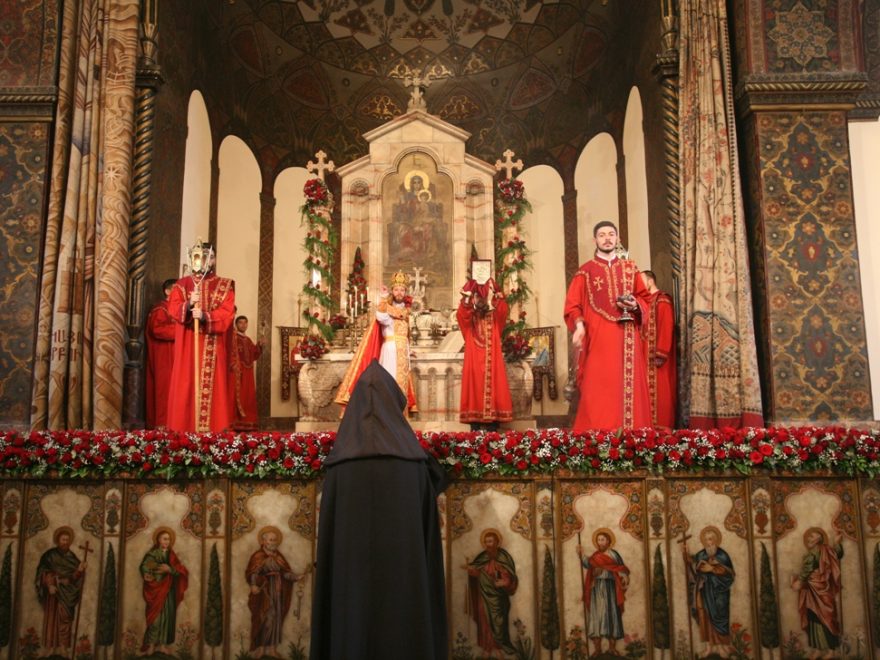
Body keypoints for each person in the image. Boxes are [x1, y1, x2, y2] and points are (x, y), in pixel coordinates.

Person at [311, 361, 448, 659]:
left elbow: (330, 542)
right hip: (404, 585)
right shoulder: (413, 464)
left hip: (351, 586)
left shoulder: (340, 466)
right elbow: (427, 531)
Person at [563, 221, 651, 431]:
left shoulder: (631, 268)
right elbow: (572, 305)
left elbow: (645, 299)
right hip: (598, 340)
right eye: (602, 235)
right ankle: (597, 440)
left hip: (626, 338)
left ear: (618, 238)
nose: (607, 238)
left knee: (628, 388)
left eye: (611, 234)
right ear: (595, 240)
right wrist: (579, 326)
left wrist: (635, 304)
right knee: (598, 389)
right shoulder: (585, 272)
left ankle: (633, 437)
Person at [166, 242, 236, 432]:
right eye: (199, 256)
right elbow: (173, 308)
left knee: (214, 389)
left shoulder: (224, 285)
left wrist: (206, 316)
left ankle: (213, 433)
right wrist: (188, 304)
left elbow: (227, 313)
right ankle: (183, 431)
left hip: (213, 345)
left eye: (207, 257)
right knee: (185, 385)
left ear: (213, 259)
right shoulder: (182, 285)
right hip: (188, 346)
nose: (203, 261)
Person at [335, 271, 417, 414]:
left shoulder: (406, 311)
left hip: (403, 352)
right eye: (396, 289)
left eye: (402, 290)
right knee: (389, 382)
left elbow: (405, 335)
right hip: (390, 350)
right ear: (392, 290)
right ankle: (387, 415)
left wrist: (408, 350)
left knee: (402, 386)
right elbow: (381, 317)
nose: (399, 292)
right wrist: (384, 299)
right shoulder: (386, 307)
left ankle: (401, 418)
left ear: (405, 292)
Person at [457, 277, 513, 430]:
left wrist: (495, 289)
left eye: (483, 296)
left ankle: (493, 425)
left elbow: (502, 309)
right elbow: (462, 313)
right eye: (477, 296)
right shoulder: (469, 318)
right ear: (473, 298)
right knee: (474, 390)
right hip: (474, 363)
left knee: (493, 388)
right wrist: (468, 293)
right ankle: (474, 425)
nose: (480, 300)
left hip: (492, 362)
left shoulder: (494, 317)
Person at [246, 526, 303, 658]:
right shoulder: (258, 556)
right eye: (271, 540)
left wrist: (296, 577)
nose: (273, 542)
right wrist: (254, 584)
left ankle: (271, 649)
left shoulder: (278, 557)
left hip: (277, 591)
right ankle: (260, 648)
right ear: (264, 541)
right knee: (264, 617)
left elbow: (285, 573)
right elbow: (253, 572)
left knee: (276, 618)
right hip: (264, 592)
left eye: (275, 540)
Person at [464, 528, 519, 658]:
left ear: (497, 542)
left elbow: (510, 576)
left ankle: (499, 648)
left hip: (499, 599)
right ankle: (487, 649)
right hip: (483, 596)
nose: (488, 544)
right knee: (484, 622)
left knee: (499, 623)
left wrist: (505, 582)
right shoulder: (481, 557)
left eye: (491, 541)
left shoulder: (504, 557)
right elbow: (477, 572)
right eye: (486, 542)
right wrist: (473, 573)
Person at [682, 526, 735, 656]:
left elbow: (730, 574)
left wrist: (712, 569)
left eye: (710, 539)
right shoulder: (702, 554)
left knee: (720, 618)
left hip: (719, 594)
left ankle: (722, 647)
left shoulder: (723, 555)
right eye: (705, 540)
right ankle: (709, 647)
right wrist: (686, 554)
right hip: (704, 591)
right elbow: (693, 565)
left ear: (716, 540)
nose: (708, 542)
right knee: (704, 617)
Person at [577, 528, 629, 656]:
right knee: (597, 617)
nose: (600, 542)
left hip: (611, 588)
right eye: (599, 540)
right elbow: (588, 564)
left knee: (612, 616)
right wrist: (581, 554)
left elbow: (622, 568)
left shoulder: (613, 555)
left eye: (603, 540)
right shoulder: (595, 556)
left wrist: (623, 576)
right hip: (597, 589)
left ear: (608, 541)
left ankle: (612, 648)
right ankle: (598, 649)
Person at [791, 527, 843, 654]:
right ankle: (817, 650)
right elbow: (835, 554)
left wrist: (799, 581)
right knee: (813, 617)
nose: (809, 538)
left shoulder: (818, 552)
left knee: (827, 618)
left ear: (819, 539)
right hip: (811, 591)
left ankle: (831, 651)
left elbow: (836, 556)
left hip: (822, 590)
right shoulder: (816, 552)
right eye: (808, 537)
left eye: (812, 536)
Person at [35, 526, 86, 654]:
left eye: (67, 540)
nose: (65, 542)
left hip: (67, 593)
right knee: (52, 620)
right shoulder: (50, 555)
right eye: (63, 539)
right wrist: (50, 584)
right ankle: (50, 648)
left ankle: (64, 648)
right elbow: (43, 571)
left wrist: (79, 570)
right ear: (58, 540)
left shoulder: (72, 557)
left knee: (66, 620)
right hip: (53, 593)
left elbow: (74, 578)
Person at [140, 527, 189, 655]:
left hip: (168, 593)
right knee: (155, 619)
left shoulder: (171, 555)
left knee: (167, 619)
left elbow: (180, 570)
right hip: (156, 591)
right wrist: (146, 573)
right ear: (158, 540)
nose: (167, 541)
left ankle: (161, 645)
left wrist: (170, 570)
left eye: (169, 539)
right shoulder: (153, 554)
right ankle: (151, 645)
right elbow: (145, 566)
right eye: (165, 539)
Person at [640, 270, 677, 428]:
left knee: (661, 392)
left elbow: (666, 325)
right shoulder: (646, 302)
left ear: (650, 281)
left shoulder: (662, 300)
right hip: (645, 356)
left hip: (658, 357)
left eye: (642, 282)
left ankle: (662, 429)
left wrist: (661, 351)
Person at [145, 279, 178, 428]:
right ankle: (163, 426)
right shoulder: (161, 309)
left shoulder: (177, 309)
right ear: (168, 291)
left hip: (175, 358)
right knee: (164, 391)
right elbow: (158, 330)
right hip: (164, 358)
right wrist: (181, 332)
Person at [230, 315, 264, 431]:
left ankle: (249, 422)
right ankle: (237, 423)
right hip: (238, 372)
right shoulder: (233, 338)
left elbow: (255, 354)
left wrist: (260, 345)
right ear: (236, 324)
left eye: (245, 323)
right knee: (239, 396)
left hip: (249, 371)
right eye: (240, 323)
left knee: (249, 397)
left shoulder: (248, 340)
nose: (243, 325)